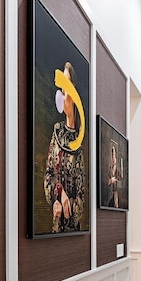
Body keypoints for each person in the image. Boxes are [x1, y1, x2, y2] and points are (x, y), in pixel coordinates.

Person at [43, 61, 85, 233]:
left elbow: (82, 198)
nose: (62, 94)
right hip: (56, 225)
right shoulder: (57, 132)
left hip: (72, 230)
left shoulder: (80, 140)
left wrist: (70, 206)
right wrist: (59, 194)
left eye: (65, 88)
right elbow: (48, 175)